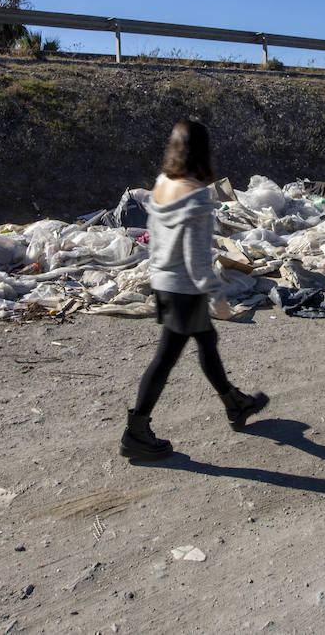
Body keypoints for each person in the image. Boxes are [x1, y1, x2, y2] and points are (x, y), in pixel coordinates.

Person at [121, 119, 269, 460]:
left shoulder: (162, 184)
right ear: (202, 151)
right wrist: (217, 297)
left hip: (164, 283)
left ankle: (235, 404)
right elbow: (198, 259)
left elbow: (157, 239)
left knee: (206, 341)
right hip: (185, 289)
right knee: (166, 358)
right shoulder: (197, 196)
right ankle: (136, 431)